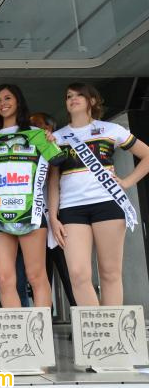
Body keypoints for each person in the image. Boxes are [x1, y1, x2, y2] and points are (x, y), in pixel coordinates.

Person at [0, 84, 65, 309]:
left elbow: (58, 161)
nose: (3, 104)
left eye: (8, 98)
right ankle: (18, 339)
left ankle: (41, 337)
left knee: (36, 275)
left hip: (31, 215)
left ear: (18, 101)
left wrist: (50, 141)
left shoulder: (37, 135)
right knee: (5, 279)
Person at [48, 83, 149, 306]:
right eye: (68, 96)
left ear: (92, 101)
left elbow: (147, 156)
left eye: (78, 95)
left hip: (108, 204)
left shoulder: (111, 130)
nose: (72, 99)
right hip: (71, 209)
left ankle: (110, 333)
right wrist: (53, 217)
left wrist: (126, 182)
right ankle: (94, 330)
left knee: (110, 273)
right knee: (77, 274)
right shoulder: (57, 138)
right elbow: (53, 181)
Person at [30, 112, 77, 309]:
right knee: (40, 275)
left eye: (38, 126)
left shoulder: (59, 148)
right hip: (35, 220)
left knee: (70, 274)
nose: (33, 129)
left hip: (59, 219)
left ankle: (81, 318)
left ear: (49, 129)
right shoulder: (27, 149)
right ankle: (43, 325)